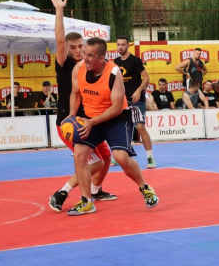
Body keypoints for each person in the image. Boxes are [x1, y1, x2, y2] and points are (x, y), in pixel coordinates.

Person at [68, 37, 159, 215]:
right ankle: (87, 201)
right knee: (79, 155)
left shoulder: (113, 73)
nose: (85, 58)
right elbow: (75, 92)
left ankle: (145, 187)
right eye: (85, 53)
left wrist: (92, 122)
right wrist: (72, 115)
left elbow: (117, 107)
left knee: (121, 157)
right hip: (91, 117)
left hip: (116, 118)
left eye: (90, 55)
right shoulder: (78, 68)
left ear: (101, 58)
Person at [47, 0, 116, 213]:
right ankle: (63, 192)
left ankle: (95, 190)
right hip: (68, 122)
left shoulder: (91, 66)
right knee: (93, 161)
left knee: (106, 158)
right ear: (67, 50)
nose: (78, 51)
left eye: (80, 47)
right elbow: (59, 40)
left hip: (88, 122)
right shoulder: (65, 65)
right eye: (73, 48)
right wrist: (59, 11)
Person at [114, 36, 157, 169]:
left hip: (137, 101)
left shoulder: (135, 61)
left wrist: (139, 90)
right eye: (118, 45)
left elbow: (146, 77)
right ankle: (119, 156)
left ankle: (150, 158)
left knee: (140, 128)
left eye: (123, 45)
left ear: (128, 46)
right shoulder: (115, 61)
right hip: (123, 101)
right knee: (120, 128)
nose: (120, 47)